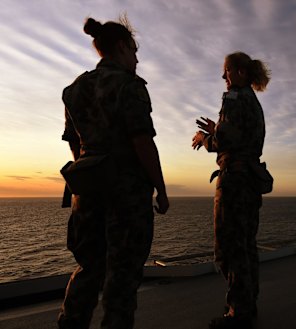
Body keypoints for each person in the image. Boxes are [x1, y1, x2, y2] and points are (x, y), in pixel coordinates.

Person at [58, 16, 169, 329]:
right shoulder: (129, 86)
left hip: (87, 193)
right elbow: (142, 142)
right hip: (126, 197)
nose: (136, 58)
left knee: (89, 268)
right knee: (121, 279)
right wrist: (160, 189)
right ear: (121, 47)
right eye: (134, 50)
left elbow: (75, 145)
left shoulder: (74, 90)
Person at [192, 51, 270, 329]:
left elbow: (223, 139)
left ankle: (238, 313)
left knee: (229, 249)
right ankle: (248, 303)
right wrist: (217, 129)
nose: (223, 76)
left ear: (240, 72)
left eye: (226, 70)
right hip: (249, 181)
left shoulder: (234, 97)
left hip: (234, 181)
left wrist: (206, 138)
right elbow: (238, 134)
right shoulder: (252, 101)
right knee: (246, 246)